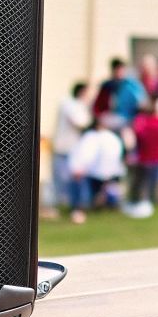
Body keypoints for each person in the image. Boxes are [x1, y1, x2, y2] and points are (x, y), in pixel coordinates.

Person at [68, 113, 127, 222]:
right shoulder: (112, 137)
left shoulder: (92, 137)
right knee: (107, 190)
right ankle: (106, 205)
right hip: (111, 170)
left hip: (96, 171)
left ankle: (81, 208)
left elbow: (86, 153)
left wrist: (79, 167)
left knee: (90, 192)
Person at [50, 81, 92, 218]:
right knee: (61, 180)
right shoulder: (69, 104)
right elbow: (80, 122)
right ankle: (57, 207)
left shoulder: (78, 106)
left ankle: (75, 207)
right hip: (63, 148)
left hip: (73, 150)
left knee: (74, 179)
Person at [127, 100, 158, 218]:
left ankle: (141, 204)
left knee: (141, 183)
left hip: (145, 158)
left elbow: (138, 137)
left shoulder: (143, 123)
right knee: (151, 182)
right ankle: (148, 203)